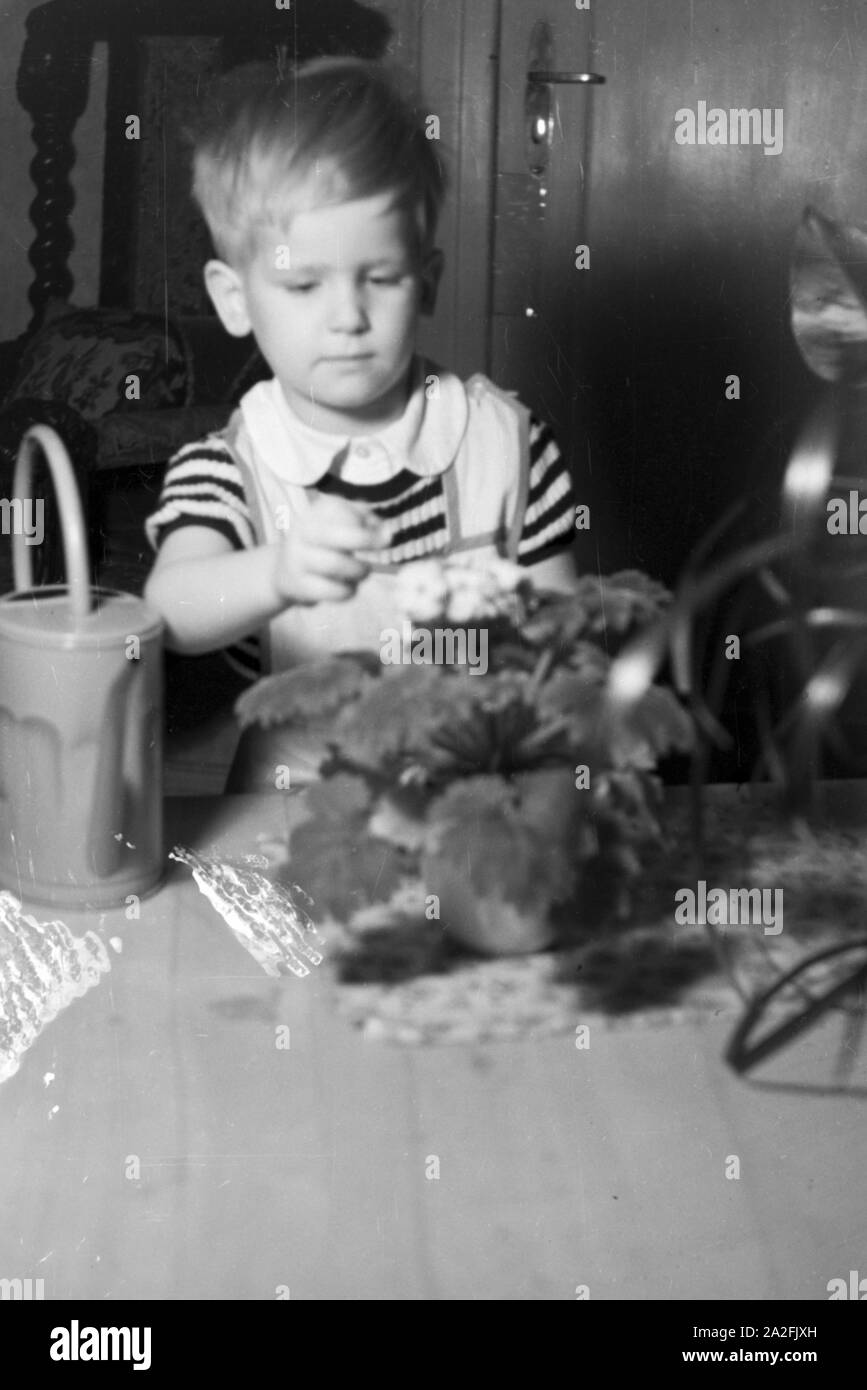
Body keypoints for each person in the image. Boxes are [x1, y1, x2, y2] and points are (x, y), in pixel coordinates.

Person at [143, 57, 579, 783]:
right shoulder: (229, 466)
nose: (347, 317)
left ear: (428, 282)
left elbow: (565, 628)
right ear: (234, 298)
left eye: (379, 278)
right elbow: (172, 609)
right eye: (303, 284)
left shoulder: (506, 442)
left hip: (473, 786)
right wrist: (275, 571)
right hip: (300, 795)